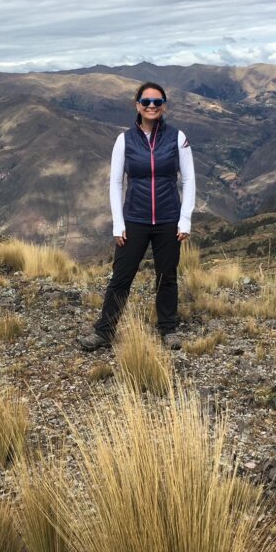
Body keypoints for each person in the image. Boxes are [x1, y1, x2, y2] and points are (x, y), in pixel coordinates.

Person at [78, 81, 195, 351]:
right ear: (137, 106)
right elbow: (115, 183)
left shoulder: (178, 137)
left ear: (164, 106)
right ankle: (104, 332)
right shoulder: (124, 140)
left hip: (168, 219)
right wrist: (118, 223)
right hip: (135, 220)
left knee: (167, 276)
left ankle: (168, 329)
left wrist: (184, 218)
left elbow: (188, 179)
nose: (151, 106)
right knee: (121, 277)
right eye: (146, 102)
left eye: (157, 102)